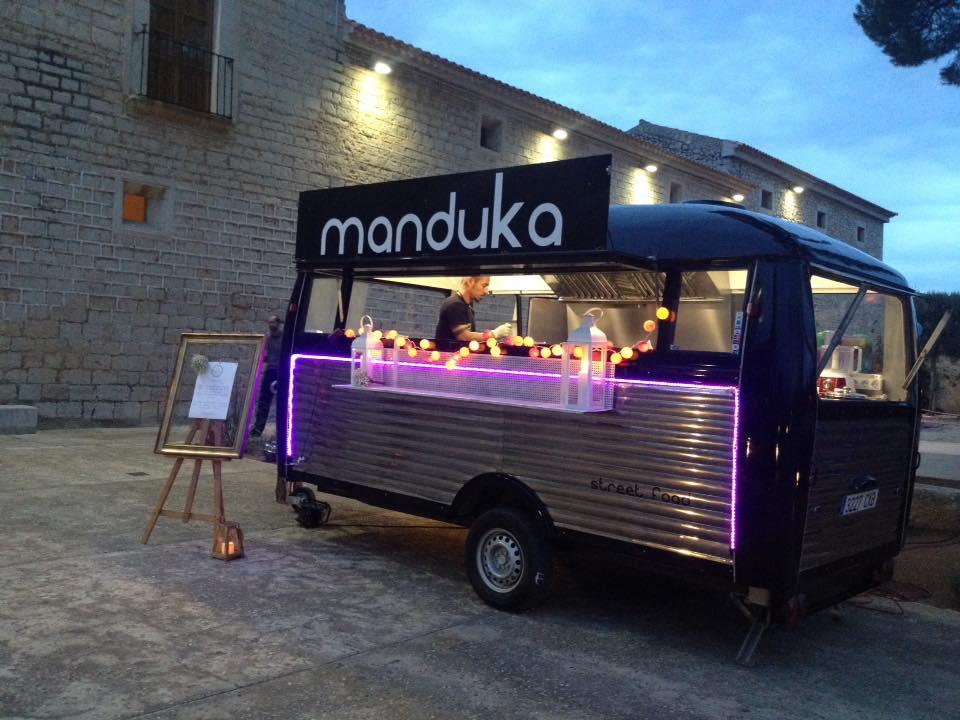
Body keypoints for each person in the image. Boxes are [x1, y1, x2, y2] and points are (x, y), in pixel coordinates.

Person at [435, 276, 512, 343]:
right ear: (470, 281)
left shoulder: (467, 306)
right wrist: (494, 334)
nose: (486, 291)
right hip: (448, 354)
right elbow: (464, 337)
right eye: (484, 285)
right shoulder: (455, 304)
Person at [251, 314, 283, 438]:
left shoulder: (284, 338)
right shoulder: (268, 338)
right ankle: (258, 429)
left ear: (278, 323)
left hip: (281, 372)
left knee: (282, 402)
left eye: (273, 322)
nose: (271, 325)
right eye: (269, 322)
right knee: (263, 401)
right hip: (270, 371)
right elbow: (266, 355)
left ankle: (281, 432)